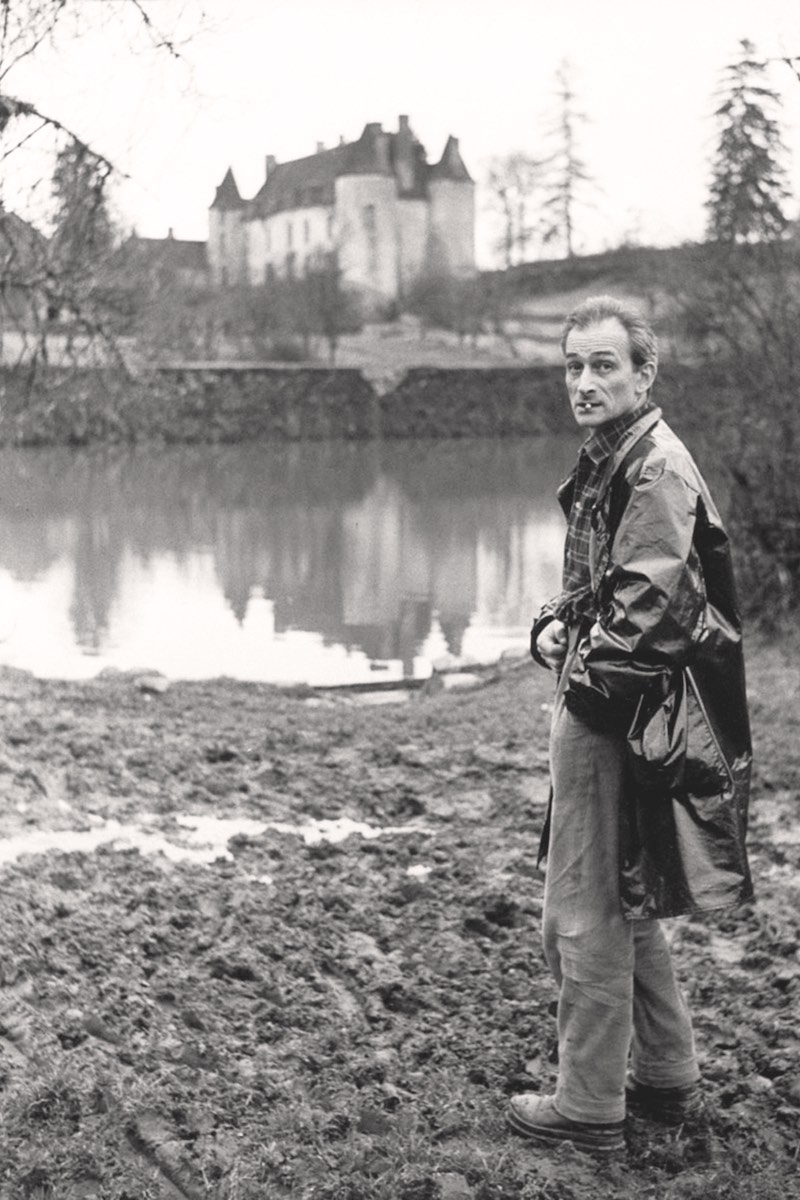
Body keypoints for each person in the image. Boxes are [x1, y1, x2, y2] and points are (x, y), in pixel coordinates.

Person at [507, 295, 753, 1155]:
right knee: (626, 897)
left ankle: (586, 1107)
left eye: (603, 365)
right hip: (630, 702)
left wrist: (584, 697)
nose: (584, 381)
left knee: (580, 913)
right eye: (573, 365)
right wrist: (562, 616)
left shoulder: (654, 468)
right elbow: (620, 585)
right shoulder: (622, 454)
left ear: (644, 374)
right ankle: (666, 1076)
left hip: (619, 710)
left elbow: (648, 608)